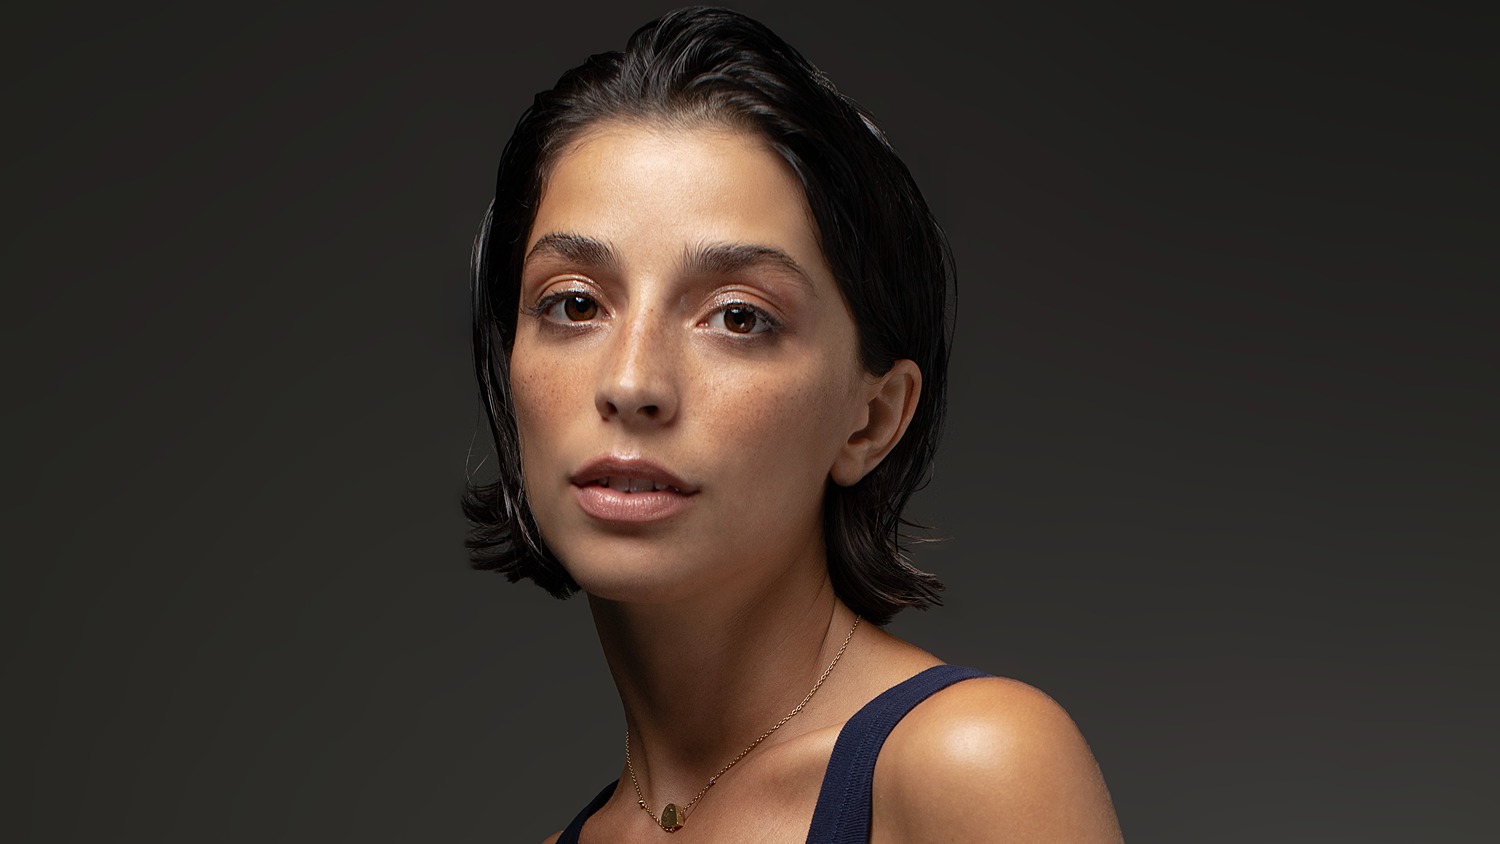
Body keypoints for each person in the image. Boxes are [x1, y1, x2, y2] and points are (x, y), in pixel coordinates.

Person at [464, 7, 1124, 842]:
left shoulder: (970, 764)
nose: (631, 384)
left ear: (871, 420)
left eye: (738, 317)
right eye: (574, 304)